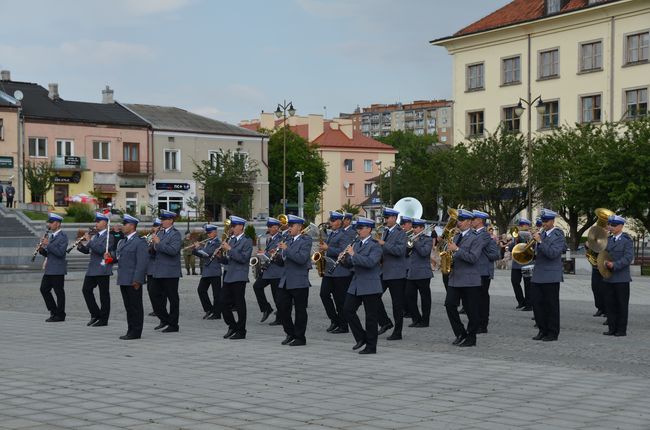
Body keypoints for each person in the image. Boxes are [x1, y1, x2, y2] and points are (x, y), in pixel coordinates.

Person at [342, 216, 382, 354]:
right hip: (356, 283)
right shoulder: (357, 244)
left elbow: (370, 262)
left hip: (370, 284)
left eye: (360, 228)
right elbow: (350, 264)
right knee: (347, 310)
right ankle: (361, 337)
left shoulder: (375, 246)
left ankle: (371, 346)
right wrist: (344, 258)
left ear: (369, 229)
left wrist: (353, 255)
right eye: (357, 228)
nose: (358, 231)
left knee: (371, 317)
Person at [444, 209, 482, 347]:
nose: (458, 223)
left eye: (460, 220)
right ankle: (460, 333)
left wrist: (457, 250)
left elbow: (473, 258)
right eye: (458, 220)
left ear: (469, 222)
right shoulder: (456, 236)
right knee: (449, 305)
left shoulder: (477, 237)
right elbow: (453, 254)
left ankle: (471, 338)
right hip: (455, 278)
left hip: (469, 280)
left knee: (471, 310)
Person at [530, 209, 567, 342]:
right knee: (537, 304)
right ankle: (542, 330)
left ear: (552, 221)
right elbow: (536, 254)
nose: (543, 224)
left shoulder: (558, 235)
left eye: (545, 221)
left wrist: (540, 242)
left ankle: (552, 332)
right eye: (542, 221)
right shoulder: (543, 234)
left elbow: (553, 254)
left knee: (551, 305)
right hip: (538, 274)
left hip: (551, 275)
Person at [277, 215, 313, 346]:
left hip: (299, 280)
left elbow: (302, 259)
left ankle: (300, 337)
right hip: (286, 280)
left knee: (300, 310)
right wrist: (274, 257)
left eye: (292, 226)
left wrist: (287, 249)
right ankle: (290, 333)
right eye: (289, 225)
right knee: (282, 307)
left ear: (299, 227)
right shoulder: (288, 239)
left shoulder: (306, 240)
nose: (289, 228)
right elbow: (284, 261)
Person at [113, 214, 148, 340]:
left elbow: (142, 262)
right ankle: (130, 329)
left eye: (125, 224)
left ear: (132, 226)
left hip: (133, 279)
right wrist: (110, 258)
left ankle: (136, 331)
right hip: (124, 278)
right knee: (128, 306)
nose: (123, 226)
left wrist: (138, 279)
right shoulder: (123, 241)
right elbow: (119, 258)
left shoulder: (140, 242)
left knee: (136, 307)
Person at [218, 215, 253, 340]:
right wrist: (220, 257)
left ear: (241, 227)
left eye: (234, 226)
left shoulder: (247, 240)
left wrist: (230, 249)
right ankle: (232, 326)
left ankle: (241, 330)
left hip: (239, 275)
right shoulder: (231, 240)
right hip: (229, 274)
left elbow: (243, 258)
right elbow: (229, 260)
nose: (232, 228)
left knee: (239, 304)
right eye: (231, 226)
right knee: (222, 302)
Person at [77, 212, 114, 327]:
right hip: (92, 268)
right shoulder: (95, 236)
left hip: (102, 268)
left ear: (105, 223)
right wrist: (80, 245)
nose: (96, 223)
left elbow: (102, 250)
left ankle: (104, 319)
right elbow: (87, 250)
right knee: (86, 290)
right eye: (96, 221)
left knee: (104, 295)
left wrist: (89, 241)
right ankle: (95, 314)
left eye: (98, 221)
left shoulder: (109, 237)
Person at [376, 207, 407, 340]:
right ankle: (385, 322)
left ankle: (398, 332)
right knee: (374, 297)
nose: (385, 220)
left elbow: (400, 251)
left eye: (387, 218)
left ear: (394, 218)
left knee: (397, 304)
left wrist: (384, 244)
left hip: (396, 273)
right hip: (384, 271)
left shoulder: (401, 233)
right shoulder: (385, 231)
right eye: (385, 218)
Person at [319, 211, 353, 334]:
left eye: (333, 221)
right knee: (324, 294)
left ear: (339, 222)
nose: (330, 223)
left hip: (341, 272)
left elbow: (343, 251)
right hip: (329, 271)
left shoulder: (344, 235)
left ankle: (343, 325)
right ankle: (334, 320)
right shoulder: (331, 234)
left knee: (340, 300)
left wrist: (328, 249)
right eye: (330, 220)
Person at [150, 209, 182, 333]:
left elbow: (173, 251)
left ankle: (173, 324)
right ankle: (165, 319)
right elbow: (156, 249)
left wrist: (158, 243)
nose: (162, 222)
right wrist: (151, 246)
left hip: (170, 271)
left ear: (171, 221)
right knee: (154, 294)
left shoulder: (175, 234)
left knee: (172, 298)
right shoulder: (161, 232)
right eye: (161, 219)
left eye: (164, 220)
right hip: (159, 270)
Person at [602, 214, 634, 337]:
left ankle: (621, 329)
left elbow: (628, 258)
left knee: (621, 304)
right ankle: (612, 328)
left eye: (613, 225)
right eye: (610, 225)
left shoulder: (626, 240)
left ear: (621, 226)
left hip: (621, 278)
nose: (610, 227)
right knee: (610, 304)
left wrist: (614, 265)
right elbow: (601, 253)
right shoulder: (608, 239)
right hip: (608, 277)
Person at [472, 210, 501, 334]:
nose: (471, 221)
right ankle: (476, 322)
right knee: (476, 299)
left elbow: (496, 254)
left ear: (479, 221)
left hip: (483, 271)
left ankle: (482, 324)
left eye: (473, 219)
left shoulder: (484, 235)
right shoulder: (475, 234)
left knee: (482, 299)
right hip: (476, 271)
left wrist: (486, 254)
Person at [252, 218, 283, 323]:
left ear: (277, 228)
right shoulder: (270, 239)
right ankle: (266, 308)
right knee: (257, 286)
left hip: (276, 272)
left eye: (271, 227)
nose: (269, 229)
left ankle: (280, 318)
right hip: (268, 270)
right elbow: (269, 253)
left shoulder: (280, 238)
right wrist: (262, 253)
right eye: (269, 227)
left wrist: (265, 254)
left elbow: (279, 254)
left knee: (277, 296)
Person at [38, 213, 68, 322]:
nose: (49, 224)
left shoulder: (63, 237)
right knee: (44, 289)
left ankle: (60, 315)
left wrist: (48, 244)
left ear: (58, 224)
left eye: (51, 223)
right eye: (49, 222)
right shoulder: (51, 236)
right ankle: (53, 311)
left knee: (59, 292)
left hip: (58, 269)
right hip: (50, 268)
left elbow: (60, 253)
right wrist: (42, 250)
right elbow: (49, 254)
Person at [405, 219, 434, 328]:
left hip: (423, 273)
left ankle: (425, 321)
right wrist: (409, 244)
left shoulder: (428, 239)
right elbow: (405, 254)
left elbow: (424, 253)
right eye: (413, 227)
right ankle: (416, 318)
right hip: (411, 272)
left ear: (422, 228)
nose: (414, 229)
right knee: (409, 296)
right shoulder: (410, 238)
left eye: (416, 227)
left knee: (425, 299)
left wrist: (416, 242)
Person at [193, 224, 222, 320]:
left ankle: (217, 313)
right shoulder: (208, 242)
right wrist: (195, 250)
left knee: (216, 294)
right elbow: (203, 254)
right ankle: (209, 309)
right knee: (201, 290)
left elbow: (208, 253)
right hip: (207, 270)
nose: (208, 235)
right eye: (208, 233)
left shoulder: (217, 242)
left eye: (210, 233)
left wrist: (198, 248)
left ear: (215, 232)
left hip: (214, 270)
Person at [509, 218, 534, 311]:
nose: (521, 227)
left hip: (527, 262)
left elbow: (531, 246)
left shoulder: (530, 235)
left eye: (523, 225)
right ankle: (521, 301)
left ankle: (529, 304)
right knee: (514, 282)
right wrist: (515, 241)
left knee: (528, 284)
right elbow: (511, 248)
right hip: (516, 263)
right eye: (520, 225)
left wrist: (522, 238)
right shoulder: (516, 235)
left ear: (527, 226)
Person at [145, 218, 161, 317]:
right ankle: (155, 308)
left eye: (156, 226)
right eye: (154, 226)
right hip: (149, 267)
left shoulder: (160, 237)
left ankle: (159, 309)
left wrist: (151, 245)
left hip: (157, 266)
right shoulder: (150, 236)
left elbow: (157, 250)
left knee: (157, 291)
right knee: (150, 290)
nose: (154, 228)